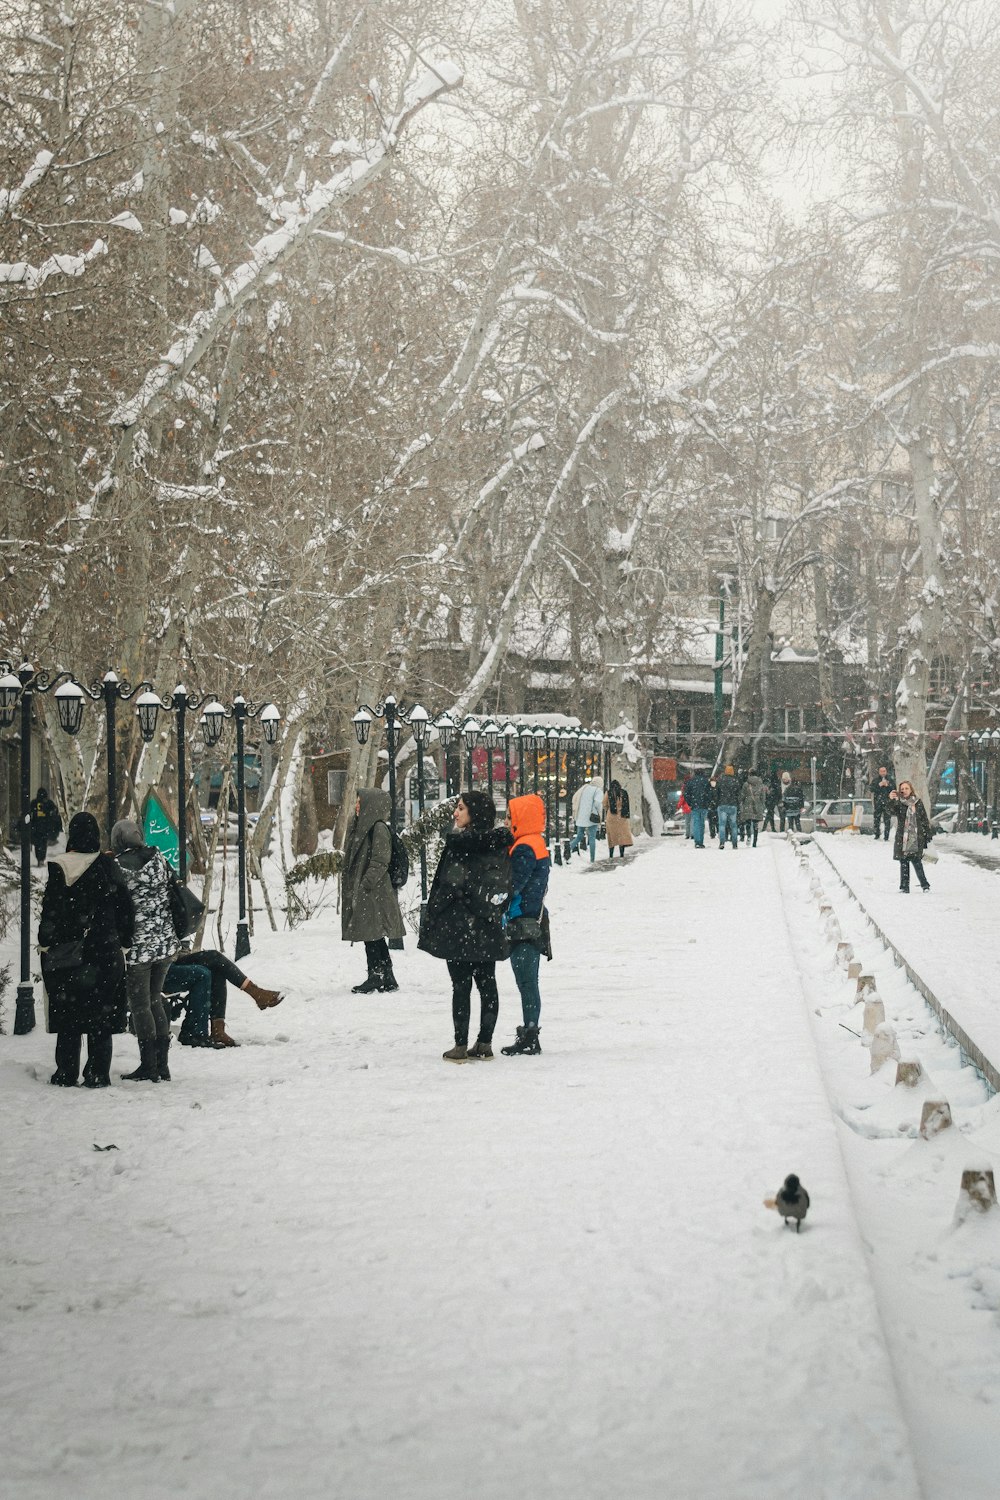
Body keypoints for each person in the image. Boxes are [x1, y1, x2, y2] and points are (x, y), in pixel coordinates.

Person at [38, 812, 135, 1088]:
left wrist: (46, 942)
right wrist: (125, 942)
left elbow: (51, 913)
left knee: (69, 1016)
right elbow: (126, 909)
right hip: (105, 954)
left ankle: (66, 1072)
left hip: (68, 957)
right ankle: (97, 1073)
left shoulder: (59, 868)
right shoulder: (107, 865)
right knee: (100, 1018)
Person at [418, 791, 511, 1063]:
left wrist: (434, 911)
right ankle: (485, 1043)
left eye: (460, 808)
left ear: (474, 813)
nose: (455, 813)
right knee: (487, 983)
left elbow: (450, 885)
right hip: (487, 923)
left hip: (459, 925)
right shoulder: (498, 844)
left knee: (461, 986)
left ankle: (460, 1046)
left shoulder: (460, 845)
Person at [111, 819, 179, 1082]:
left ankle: (148, 1065)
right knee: (154, 1000)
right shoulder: (159, 858)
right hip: (164, 943)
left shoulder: (118, 866)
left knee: (140, 1006)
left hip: (139, 948)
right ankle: (162, 1065)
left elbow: (116, 902)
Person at [501, 792, 551, 1057]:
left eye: (510, 816)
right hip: (532, 918)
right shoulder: (535, 842)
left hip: (523, 921)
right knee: (529, 981)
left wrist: (498, 899)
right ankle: (530, 1032)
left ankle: (530, 1036)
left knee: (527, 981)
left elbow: (513, 885)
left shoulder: (524, 847)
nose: (507, 820)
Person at [342, 788, 404, 993]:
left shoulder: (377, 828)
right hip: (371, 890)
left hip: (374, 890)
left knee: (371, 934)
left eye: (360, 802)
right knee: (374, 935)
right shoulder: (364, 827)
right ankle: (388, 976)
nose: (357, 805)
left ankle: (376, 975)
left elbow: (380, 860)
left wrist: (365, 884)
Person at [165, 948, 283, 1048]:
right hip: (157, 969)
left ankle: (218, 1030)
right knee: (203, 973)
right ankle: (195, 1032)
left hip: (168, 961)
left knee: (216, 961)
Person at [889, 781, 932, 892]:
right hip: (902, 837)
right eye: (902, 788)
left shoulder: (917, 802)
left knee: (917, 862)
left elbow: (924, 819)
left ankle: (925, 885)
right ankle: (904, 887)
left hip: (916, 837)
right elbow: (889, 811)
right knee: (903, 862)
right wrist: (890, 800)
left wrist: (927, 833)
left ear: (911, 790)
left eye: (906, 788)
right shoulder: (898, 803)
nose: (904, 790)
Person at [569, 775, 603, 862]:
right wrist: (598, 812)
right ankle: (592, 859)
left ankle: (567, 850)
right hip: (592, 817)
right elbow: (597, 803)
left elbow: (575, 798)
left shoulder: (584, 788)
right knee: (592, 838)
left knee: (579, 836)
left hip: (581, 816)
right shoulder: (598, 790)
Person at [30, 787, 62, 866]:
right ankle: (41, 859)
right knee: (43, 844)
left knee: (38, 844)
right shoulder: (48, 803)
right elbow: (55, 811)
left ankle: (39, 859)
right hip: (45, 827)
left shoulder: (34, 802)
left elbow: (29, 812)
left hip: (36, 827)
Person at [604, 779, 633, 858]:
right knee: (622, 836)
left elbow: (604, 804)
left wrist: (609, 809)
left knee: (611, 837)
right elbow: (627, 804)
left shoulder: (608, 793)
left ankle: (611, 854)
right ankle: (621, 854)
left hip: (611, 817)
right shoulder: (623, 793)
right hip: (622, 817)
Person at [682, 769, 711, 848]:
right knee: (702, 823)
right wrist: (708, 802)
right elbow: (710, 793)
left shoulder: (690, 782)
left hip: (695, 805)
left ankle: (697, 841)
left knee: (696, 823)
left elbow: (686, 794)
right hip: (704, 805)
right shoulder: (706, 781)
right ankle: (700, 841)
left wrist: (690, 803)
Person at [739, 769, 767, 847]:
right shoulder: (761, 784)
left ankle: (748, 836)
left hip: (748, 804)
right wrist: (762, 804)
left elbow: (742, 795)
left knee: (748, 821)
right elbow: (763, 796)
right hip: (757, 804)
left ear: (749, 775)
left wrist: (741, 801)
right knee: (755, 823)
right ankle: (755, 841)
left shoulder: (746, 784)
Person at [870, 765, 896, 841]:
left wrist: (888, 785)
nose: (883, 773)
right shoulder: (875, 780)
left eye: (884, 771)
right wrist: (879, 785)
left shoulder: (890, 779)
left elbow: (894, 789)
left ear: (886, 772)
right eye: (881, 771)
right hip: (878, 803)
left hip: (888, 803)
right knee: (876, 819)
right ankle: (877, 834)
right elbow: (871, 789)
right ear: (879, 772)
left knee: (887, 820)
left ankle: (886, 836)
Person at [716, 765, 739, 848]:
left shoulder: (720, 780)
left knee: (722, 824)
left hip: (722, 804)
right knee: (733, 825)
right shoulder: (735, 781)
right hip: (733, 805)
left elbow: (717, 793)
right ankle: (734, 843)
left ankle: (722, 842)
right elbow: (738, 794)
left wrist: (717, 802)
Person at [706, 777, 720, 841]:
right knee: (717, 820)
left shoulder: (708, 787)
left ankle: (712, 833)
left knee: (711, 821)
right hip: (716, 806)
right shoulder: (718, 786)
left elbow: (707, 796)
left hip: (710, 806)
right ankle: (718, 832)